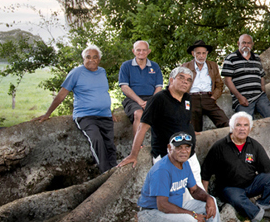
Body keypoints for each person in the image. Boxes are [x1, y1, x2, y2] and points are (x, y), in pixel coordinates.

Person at [136, 131, 236, 222]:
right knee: (187, 220)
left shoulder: (185, 164)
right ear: (169, 148)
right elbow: (162, 205)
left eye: (187, 147)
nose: (184, 151)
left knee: (211, 202)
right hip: (151, 213)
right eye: (178, 147)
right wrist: (193, 215)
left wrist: (208, 198)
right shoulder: (162, 170)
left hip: (175, 206)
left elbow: (194, 190)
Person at [35, 44, 118, 172]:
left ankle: (115, 171)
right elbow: (62, 94)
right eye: (88, 57)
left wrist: (110, 111)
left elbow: (102, 93)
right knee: (96, 139)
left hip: (105, 115)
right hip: (86, 116)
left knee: (110, 145)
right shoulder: (76, 73)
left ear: (99, 59)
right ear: (83, 59)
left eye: (95, 57)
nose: (91, 60)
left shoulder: (102, 72)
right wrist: (48, 114)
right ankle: (105, 173)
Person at [200, 112, 270, 222]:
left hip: (251, 185)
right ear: (232, 127)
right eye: (238, 125)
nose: (242, 129)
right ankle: (261, 217)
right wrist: (204, 198)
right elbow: (205, 174)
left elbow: (267, 171)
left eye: (245, 125)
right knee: (236, 198)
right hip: (230, 188)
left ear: (250, 129)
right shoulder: (219, 147)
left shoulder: (254, 146)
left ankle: (262, 207)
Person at [120, 66, 197, 168]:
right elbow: (142, 128)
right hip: (166, 156)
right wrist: (133, 155)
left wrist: (190, 131)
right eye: (181, 78)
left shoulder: (187, 98)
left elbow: (185, 120)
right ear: (171, 80)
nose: (185, 82)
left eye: (188, 80)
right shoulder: (158, 99)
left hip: (189, 154)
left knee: (195, 183)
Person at [221, 33, 270, 119]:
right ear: (238, 43)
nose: (246, 45)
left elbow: (261, 75)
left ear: (252, 44)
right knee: (246, 123)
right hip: (242, 98)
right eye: (243, 43)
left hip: (259, 96)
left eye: (248, 43)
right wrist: (239, 97)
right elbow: (227, 81)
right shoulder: (231, 58)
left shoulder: (256, 57)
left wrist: (263, 89)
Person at [118, 40, 163, 139]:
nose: (141, 52)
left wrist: (151, 102)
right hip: (132, 99)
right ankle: (138, 147)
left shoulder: (155, 66)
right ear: (133, 51)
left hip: (152, 98)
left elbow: (159, 87)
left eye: (144, 50)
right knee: (139, 114)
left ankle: (164, 146)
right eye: (138, 50)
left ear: (149, 51)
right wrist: (141, 102)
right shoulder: (126, 66)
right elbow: (124, 87)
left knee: (166, 113)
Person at [182, 39, 229, 132]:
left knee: (225, 122)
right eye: (198, 53)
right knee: (194, 129)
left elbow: (219, 84)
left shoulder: (212, 65)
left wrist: (213, 97)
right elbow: (180, 85)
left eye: (203, 53)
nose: (201, 56)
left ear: (207, 53)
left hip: (208, 98)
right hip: (192, 98)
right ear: (193, 53)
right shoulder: (185, 66)